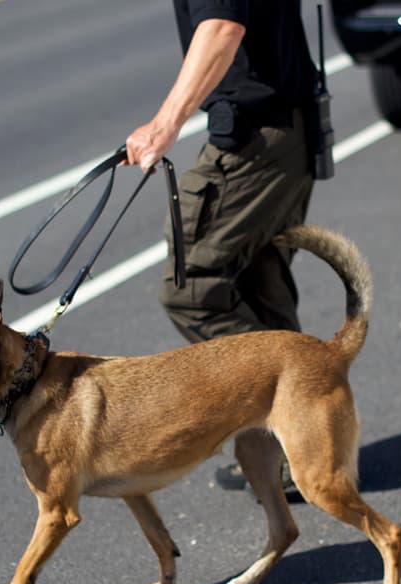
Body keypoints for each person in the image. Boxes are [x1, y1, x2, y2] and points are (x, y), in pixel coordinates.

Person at [125, 0, 320, 489]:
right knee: (257, 283)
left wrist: (165, 123)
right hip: (287, 129)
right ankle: (304, 451)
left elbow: (222, 27)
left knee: (194, 290)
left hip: (259, 139)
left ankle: (292, 437)